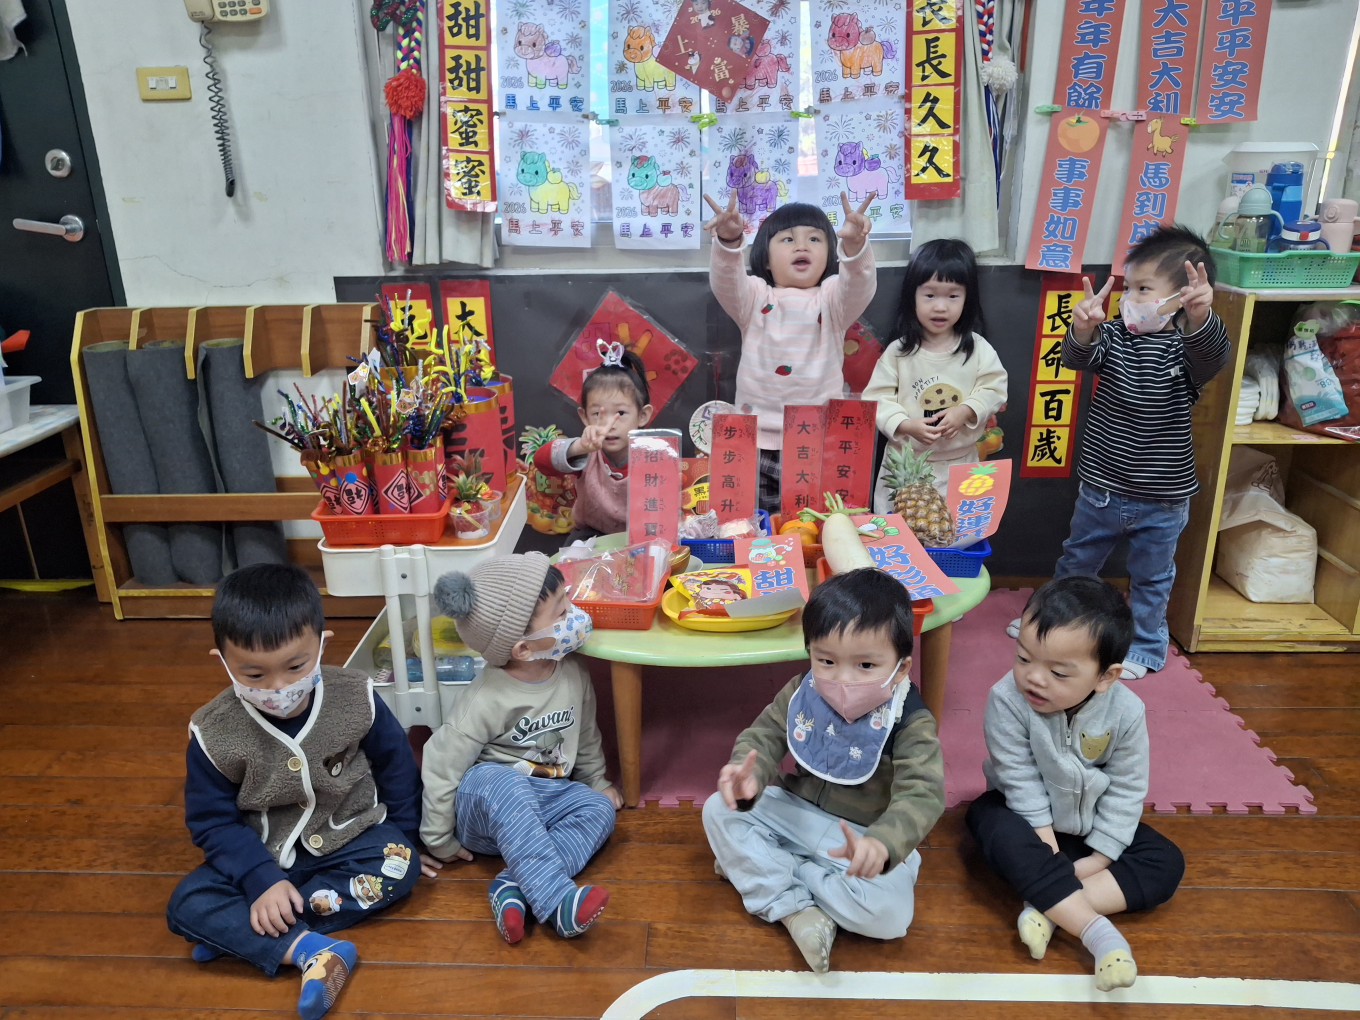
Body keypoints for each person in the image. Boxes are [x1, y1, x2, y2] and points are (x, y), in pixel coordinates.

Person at [166, 564, 438, 1020]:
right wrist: (260, 879)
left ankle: (245, 935)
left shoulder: (355, 695)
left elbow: (397, 769)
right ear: (223, 662)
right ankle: (312, 949)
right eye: (253, 674)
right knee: (186, 904)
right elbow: (212, 821)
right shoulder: (213, 732)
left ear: (322, 644)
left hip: (351, 837)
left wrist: (408, 836)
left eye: (296, 667)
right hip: (264, 854)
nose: (279, 688)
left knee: (401, 865)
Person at [1007, 225, 1230, 680]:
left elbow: (1213, 355)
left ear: (1183, 295)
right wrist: (1083, 328)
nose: (1130, 299)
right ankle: (1049, 623)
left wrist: (1203, 316)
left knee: (1152, 577)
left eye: (1143, 289)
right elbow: (1076, 358)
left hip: (1163, 497)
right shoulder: (1115, 337)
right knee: (1076, 563)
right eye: (1129, 288)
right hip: (1101, 488)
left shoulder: (1187, 350)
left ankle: (1145, 647)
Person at [702, 568, 945, 973]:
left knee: (891, 917)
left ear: (901, 668)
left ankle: (769, 870)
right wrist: (748, 776)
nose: (842, 679)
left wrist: (883, 844)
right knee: (718, 809)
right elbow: (766, 734)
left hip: (860, 839)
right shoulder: (805, 690)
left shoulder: (909, 720)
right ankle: (794, 910)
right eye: (826, 660)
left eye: (865, 665)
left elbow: (923, 793)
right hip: (798, 813)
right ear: (810, 651)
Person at [968, 577, 1185, 992]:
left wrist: (1099, 857)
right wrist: (1049, 851)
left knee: (1166, 862)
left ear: (1106, 677)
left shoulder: (1127, 711)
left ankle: (1048, 909)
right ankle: (1096, 932)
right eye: (1023, 658)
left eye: (1058, 672)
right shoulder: (1006, 699)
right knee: (987, 820)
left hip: (1089, 822)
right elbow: (1019, 780)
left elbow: (1127, 788)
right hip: (1028, 819)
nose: (1034, 678)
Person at [422, 553, 623, 944]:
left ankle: (512, 885)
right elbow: (442, 764)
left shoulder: (573, 673)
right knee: (506, 782)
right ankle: (557, 901)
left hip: (545, 797)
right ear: (524, 649)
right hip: (486, 807)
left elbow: (585, 734)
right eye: (562, 613)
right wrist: (439, 839)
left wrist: (596, 781)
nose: (575, 616)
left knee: (598, 809)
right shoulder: (486, 697)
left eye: (568, 601)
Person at [705, 191, 878, 513]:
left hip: (816, 440)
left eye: (814, 239)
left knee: (809, 525)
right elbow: (726, 281)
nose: (802, 246)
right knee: (757, 525)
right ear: (766, 259)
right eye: (787, 239)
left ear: (830, 254)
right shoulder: (755, 296)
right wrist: (728, 242)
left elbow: (858, 285)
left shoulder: (832, 298)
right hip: (754, 440)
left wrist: (855, 248)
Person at [863, 238, 1008, 506]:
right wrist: (905, 425)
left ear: (967, 298)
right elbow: (876, 399)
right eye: (930, 295)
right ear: (913, 297)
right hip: (905, 465)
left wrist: (966, 411)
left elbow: (994, 388)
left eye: (953, 296)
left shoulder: (977, 349)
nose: (940, 306)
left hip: (960, 464)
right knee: (899, 528)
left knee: (956, 528)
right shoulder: (899, 352)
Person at [533, 342, 654, 543]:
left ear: (642, 415)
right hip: (591, 535)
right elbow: (540, 461)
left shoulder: (656, 456)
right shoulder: (585, 451)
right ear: (585, 417)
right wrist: (578, 447)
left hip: (640, 536)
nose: (609, 425)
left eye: (621, 413)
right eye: (597, 414)